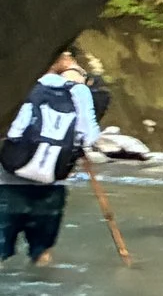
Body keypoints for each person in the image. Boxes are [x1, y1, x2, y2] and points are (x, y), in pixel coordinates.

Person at [1, 51, 100, 266]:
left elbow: (13, 133)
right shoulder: (80, 92)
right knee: (42, 254)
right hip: (50, 187)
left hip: (9, 183)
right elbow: (90, 137)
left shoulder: (26, 84)